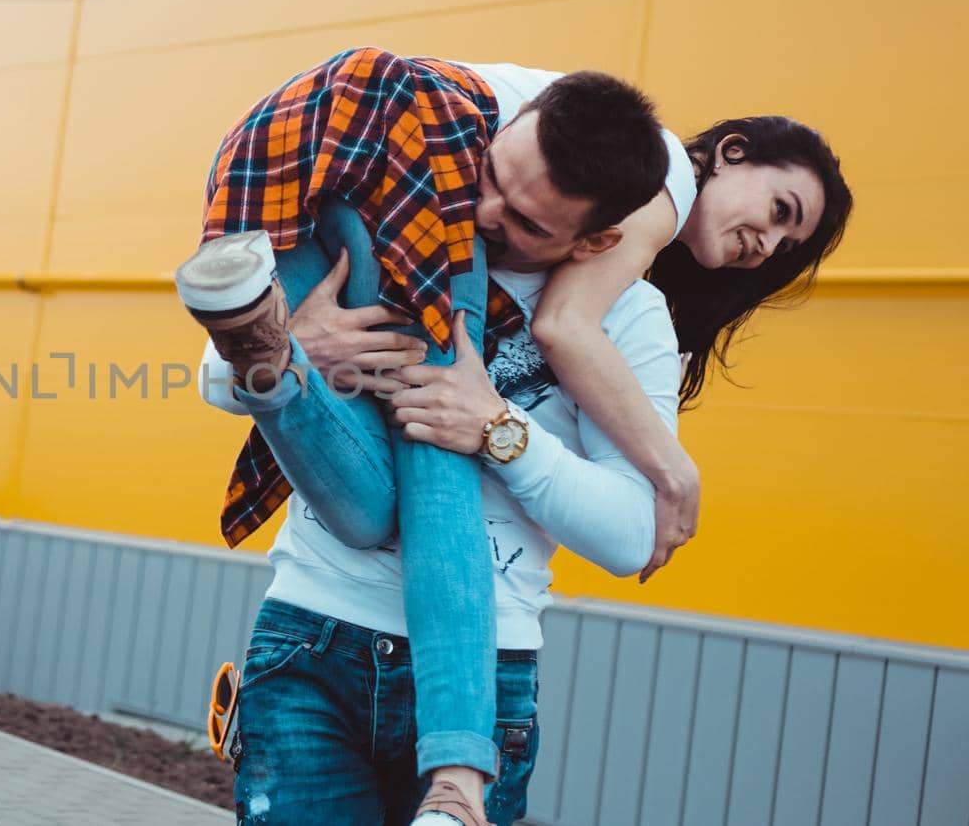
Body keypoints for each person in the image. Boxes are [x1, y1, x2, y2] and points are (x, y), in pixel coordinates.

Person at [179, 50, 852, 823]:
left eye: (530, 222)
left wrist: (498, 429)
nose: (486, 213)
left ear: (598, 241)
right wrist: (303, 343)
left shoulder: (632, 322)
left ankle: (455, 780)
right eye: (490, 178)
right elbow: (217, 378)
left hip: (489, 660)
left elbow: (634, 537)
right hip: (311, 637)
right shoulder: (403, 224)